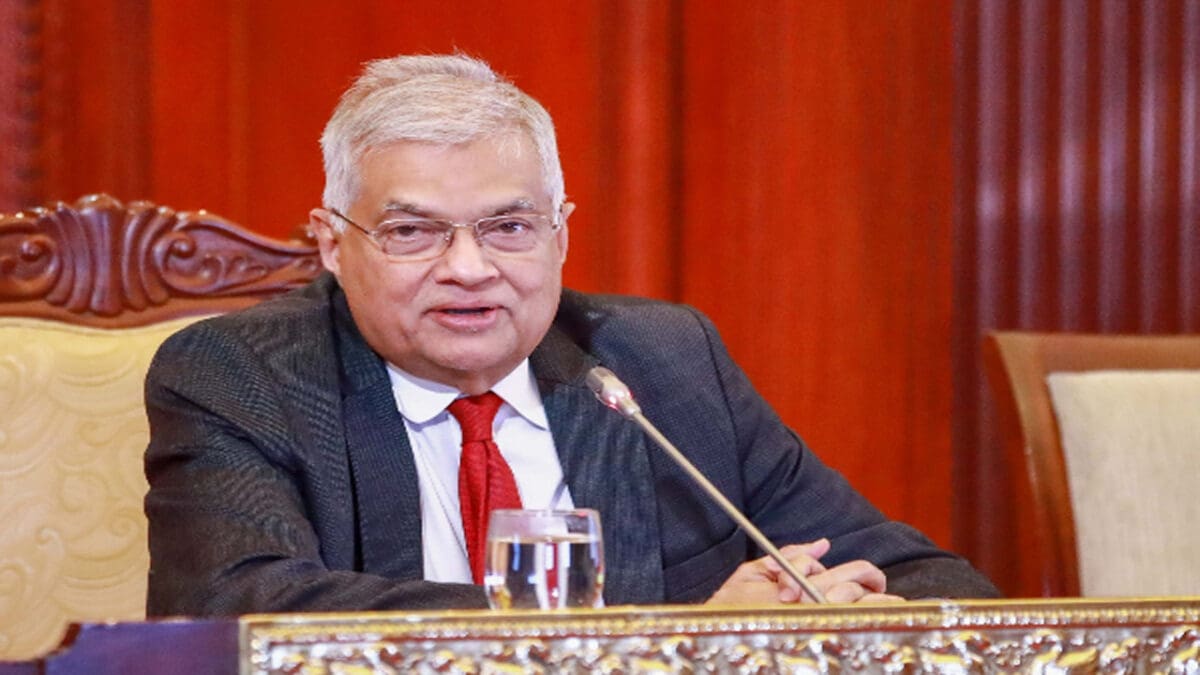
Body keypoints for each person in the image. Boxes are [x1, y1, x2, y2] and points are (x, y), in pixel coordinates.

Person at [143, 53, 997, 617]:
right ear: (333, 244)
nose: (469, 268)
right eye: (413, 232)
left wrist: (851, 610)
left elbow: (927, 578)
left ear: (561, 234)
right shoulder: (242, 373)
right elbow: (241, 612)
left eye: (509, 226)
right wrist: (677, 640)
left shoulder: (662, 361)